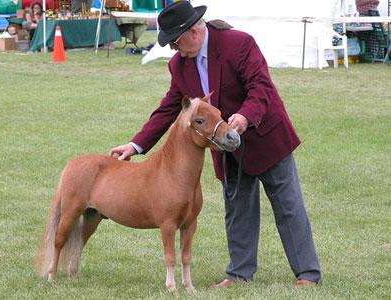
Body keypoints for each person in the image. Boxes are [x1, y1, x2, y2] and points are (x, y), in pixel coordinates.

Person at [110, 1, 321, 287]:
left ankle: (307, 273)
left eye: (174, 42)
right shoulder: (179, 65)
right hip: (226, 147)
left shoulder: (239, 44)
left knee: (288, 206)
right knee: (237, 210)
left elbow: (262, 87)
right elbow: (170, 108)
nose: (173, 49)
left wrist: (245, 117)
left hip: (266, 137)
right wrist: (135, 145)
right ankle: (239, 273)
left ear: (194, 32)